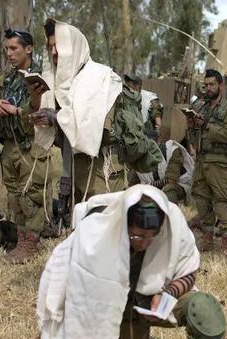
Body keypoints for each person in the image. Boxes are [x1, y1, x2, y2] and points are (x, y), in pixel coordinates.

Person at [35, 185, 226, 339]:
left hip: (154, 302)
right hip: (112, 313)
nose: (145, 243)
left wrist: (168, 294)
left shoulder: (173, 226)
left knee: (204, 310)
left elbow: (188, 271)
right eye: (138, 236)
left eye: (152, 236)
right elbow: (72, 292)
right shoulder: (94, 236)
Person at [29, 19, 162, 205]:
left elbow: (96, 128)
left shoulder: (101, 78)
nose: (53, 52)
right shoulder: (64, 85)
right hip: (76, 164)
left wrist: (57, 118)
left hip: (103, 167)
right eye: (50, 47)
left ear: (72, 47)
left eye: (57, 46)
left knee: (104, 222)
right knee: (83, 224)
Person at [0, 29, 49, 263]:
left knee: (30, 194)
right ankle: (20, 241)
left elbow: (40, 115)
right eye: (6, 49)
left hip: (31, 144)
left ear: (29, 49)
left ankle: (30, 244)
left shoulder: (41, 79)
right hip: (8, 146)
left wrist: (20, 109)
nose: (9, 54)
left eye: (14, 49)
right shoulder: (6, 79)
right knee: (13, 196)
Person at [185, 69, 227, 254]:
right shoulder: (201, 108)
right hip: (201, 162)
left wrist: (206, 125)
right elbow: (193, 137)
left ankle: (226, 247)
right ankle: (207, 242)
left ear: (221, 85)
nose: (208, 88)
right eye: (206, 85)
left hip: (221, 164)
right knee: (202, 202)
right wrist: (192, 125)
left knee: (222, 203)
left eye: (212, 84)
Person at [134, 140, 194, 205]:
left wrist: (148, 186)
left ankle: (171, 213)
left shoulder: (171, 151)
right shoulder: (139, 159)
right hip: (155, 189)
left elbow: (172, 180)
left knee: (169, 189)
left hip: (180, 185)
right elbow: (134, 184)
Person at [123, 73, 164, 141]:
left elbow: (157, 110)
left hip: (144, 130)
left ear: (139, 86)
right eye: (128, 83)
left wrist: (157, 128)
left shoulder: (147, 97)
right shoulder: (122, 96)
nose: (130, 86)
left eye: (134, 84)